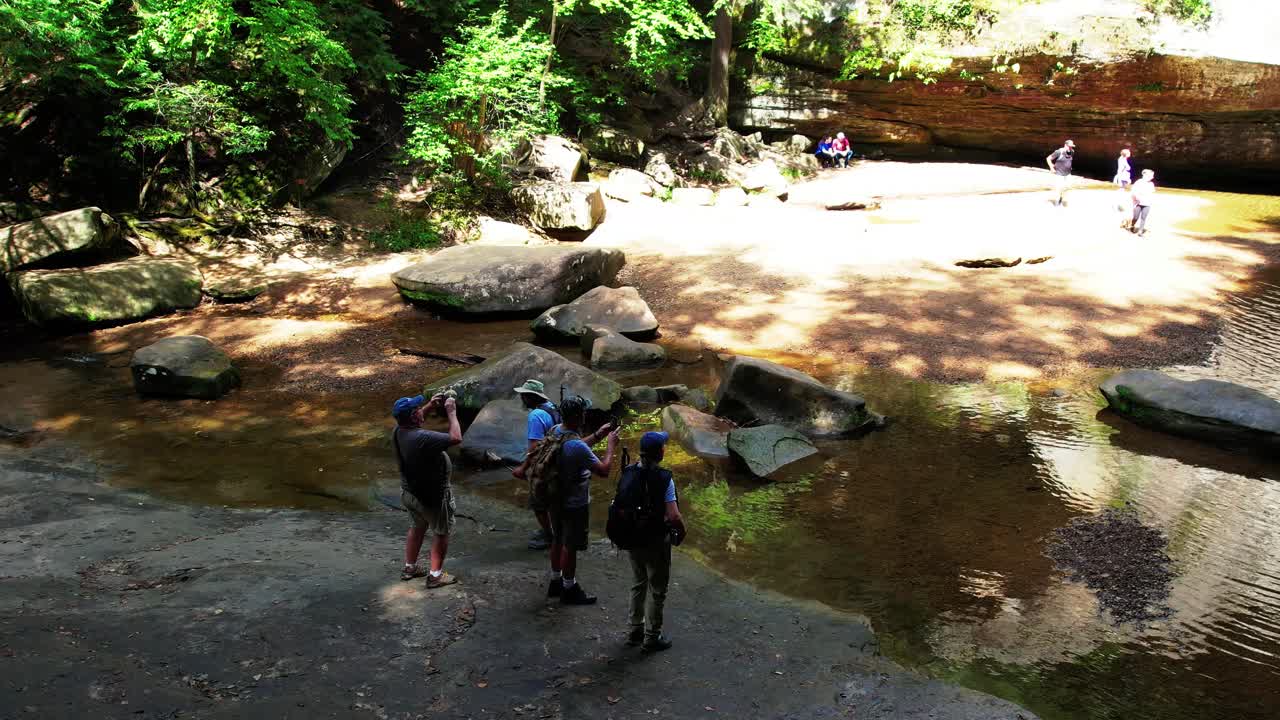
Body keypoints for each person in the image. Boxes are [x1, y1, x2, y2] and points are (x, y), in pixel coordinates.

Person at [546, 396, 619, 605]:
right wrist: (611, 445)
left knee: (558, 539)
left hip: (554, 498)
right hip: (573, 504)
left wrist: (598, 435)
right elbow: (603, 471)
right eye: (584, 413)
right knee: (571, 545)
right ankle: (570, 589)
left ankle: (555, 581)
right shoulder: (576, 446)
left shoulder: (555, 431)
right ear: (579, 416)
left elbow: (575, 447)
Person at [622, 431, 685, 653]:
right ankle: (652, 637)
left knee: (638, 582)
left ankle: (634, 630)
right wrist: (681, 531)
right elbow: (674, 516)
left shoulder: (628, 472)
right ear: (662, 452)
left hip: (631, 538)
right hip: (656, 541)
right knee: (657, 589)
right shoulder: (664, 478)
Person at [392, 393, 462, 589]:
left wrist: (430, 406)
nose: (421, 409)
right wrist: (452, 412)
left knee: (417, 527)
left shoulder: (399, 430)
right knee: (441, 532)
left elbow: (414, 416)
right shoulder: (422, 437)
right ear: (414, 417)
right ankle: (435, 576)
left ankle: (410, 567)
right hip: (432, 497)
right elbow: (456, 437)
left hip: (410, 493)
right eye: (418, 409)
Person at [510, 379, 559, 550]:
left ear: (531, 397)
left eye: (524, 395)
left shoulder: (536, 416)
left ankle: (549, 535)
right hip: (557, 461)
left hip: (544, 464)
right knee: (552, 500)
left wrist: (523, 469)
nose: (522, 398)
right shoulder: (552, 407)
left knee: (538, 502)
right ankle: (554, 531)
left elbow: (534, 447)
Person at [1046, 139, 1076, 207]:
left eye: (1071, 146)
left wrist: (1069, 167)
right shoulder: (1059, 151)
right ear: (1065, 145)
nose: (1070, 147)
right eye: (1069, 146)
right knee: (1058, 189)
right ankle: (1056, 204)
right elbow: (1048, 158)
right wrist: (1051, 167)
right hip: (1059, 174)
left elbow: (1069, 160)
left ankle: (1062, 201)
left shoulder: (1072, 151)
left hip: (1068, 174)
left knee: (1067, 188)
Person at [1129, 169, 1156, 236]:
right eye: (1151, 175)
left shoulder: (1151, 184)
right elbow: (1133, 192)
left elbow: (1152, 193)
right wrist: (1136, 199)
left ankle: (1140, 231)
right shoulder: (1138, 182)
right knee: (1136, 217)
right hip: (1138, 203)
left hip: (1147, 203)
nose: (1152, 177)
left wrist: (1151, 200)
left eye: (1152, 176)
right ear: (1145, 175)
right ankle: (1132, 225)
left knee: (1143, 218)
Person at [1113, 148, 1133, 213]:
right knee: (1121, 191)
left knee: (1122, 191)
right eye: (1129, 152)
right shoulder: (1122, 160)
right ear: (1126, 154)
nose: (1130, 153)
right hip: (1123, 178)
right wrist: (1118, 178)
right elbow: (1120, 170)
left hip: (1124, 177)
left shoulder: (1122, 159)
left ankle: (1118, 206)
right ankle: (1118, 205)